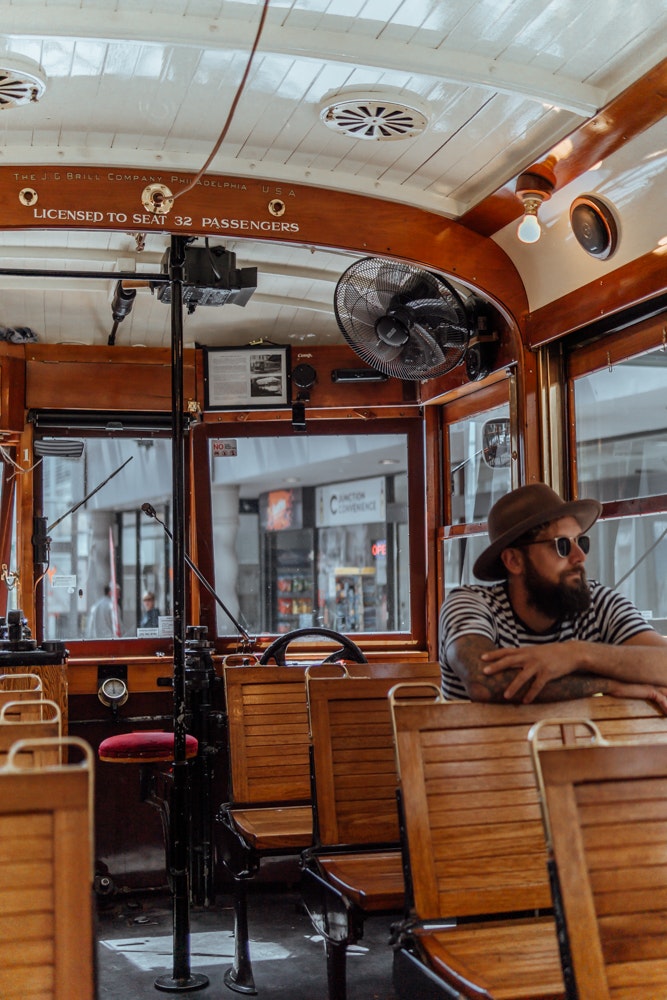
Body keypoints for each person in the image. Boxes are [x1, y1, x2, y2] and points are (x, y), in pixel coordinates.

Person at [440, 482, 667, 707]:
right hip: (481, 743)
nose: (580, 556)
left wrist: (578, 653)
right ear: (514, 560)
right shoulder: (470, 604)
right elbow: (484, 682)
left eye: (581, 542)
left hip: (579, 743)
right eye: (562, 545)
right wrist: (608, 685)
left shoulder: (599, 603)